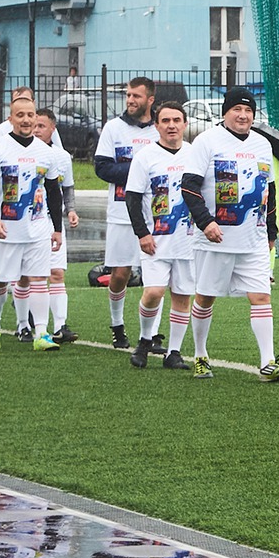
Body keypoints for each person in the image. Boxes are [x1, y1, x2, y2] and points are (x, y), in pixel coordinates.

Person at [179, 87, 279, 383]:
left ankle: (268, 362)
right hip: (214, 239)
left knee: (261, 296)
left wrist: (271, 230)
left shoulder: (261, 145)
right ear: (225, 113)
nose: (243, 115)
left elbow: (266, 190)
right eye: (237, 110)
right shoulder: (205, 142)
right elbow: (189, 187)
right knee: (205, 298)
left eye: (248, 111)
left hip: (253, 239)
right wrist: (206, 222)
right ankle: (201, 355)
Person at [0, 95, 65, 351]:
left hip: (38, 229)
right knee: (0, 282)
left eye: (30, 115)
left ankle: (41, 333)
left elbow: (53, 192)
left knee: (39, 279)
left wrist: (57, 228)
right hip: (6, 230)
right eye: (20, 115)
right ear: (10, 118)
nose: (26, 120)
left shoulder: (46, 152)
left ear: (36, 117)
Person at [124, 101, 196, 370]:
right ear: (156, 126)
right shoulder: (145, 156)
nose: (172, 125)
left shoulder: (194, 154)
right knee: (153, 292)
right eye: (165, 121)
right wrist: (142, 233)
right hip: (156, 240)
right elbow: (132, 198)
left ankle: (174, 352)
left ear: (185, 124)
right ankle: (145, 339)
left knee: (181, 295)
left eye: (177, 120)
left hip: (188, 240)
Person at [95, 77, 159, 349]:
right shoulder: (113, 128)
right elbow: (102, 168)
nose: (130, 100)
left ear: (150, 100)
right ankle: (117, 324)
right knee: (120, 273)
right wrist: (139, 171)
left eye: (136, 96)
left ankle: (152, 334)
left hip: (157, 213)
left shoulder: (161, 128)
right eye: (128, 95)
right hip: (122, 212)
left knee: (156, 274)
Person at [34, 107, 81, 343]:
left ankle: (61, 326)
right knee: (29, 278)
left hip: (53, 224)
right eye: (35, 124)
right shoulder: (24, 153)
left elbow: (67, 189)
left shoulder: (62, 157)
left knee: (56, 272)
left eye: (42, 126)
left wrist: (70, 210)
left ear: (53, 129)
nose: (37, 129)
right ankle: (25, 323)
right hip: (28, 223)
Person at [0, 86, 65, 152]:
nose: (22, 104)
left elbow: (59, 153)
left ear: (33, 103)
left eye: (26, 100)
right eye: (18, 101)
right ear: (11, 104)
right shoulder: (1, 130)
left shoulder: (46, 126)